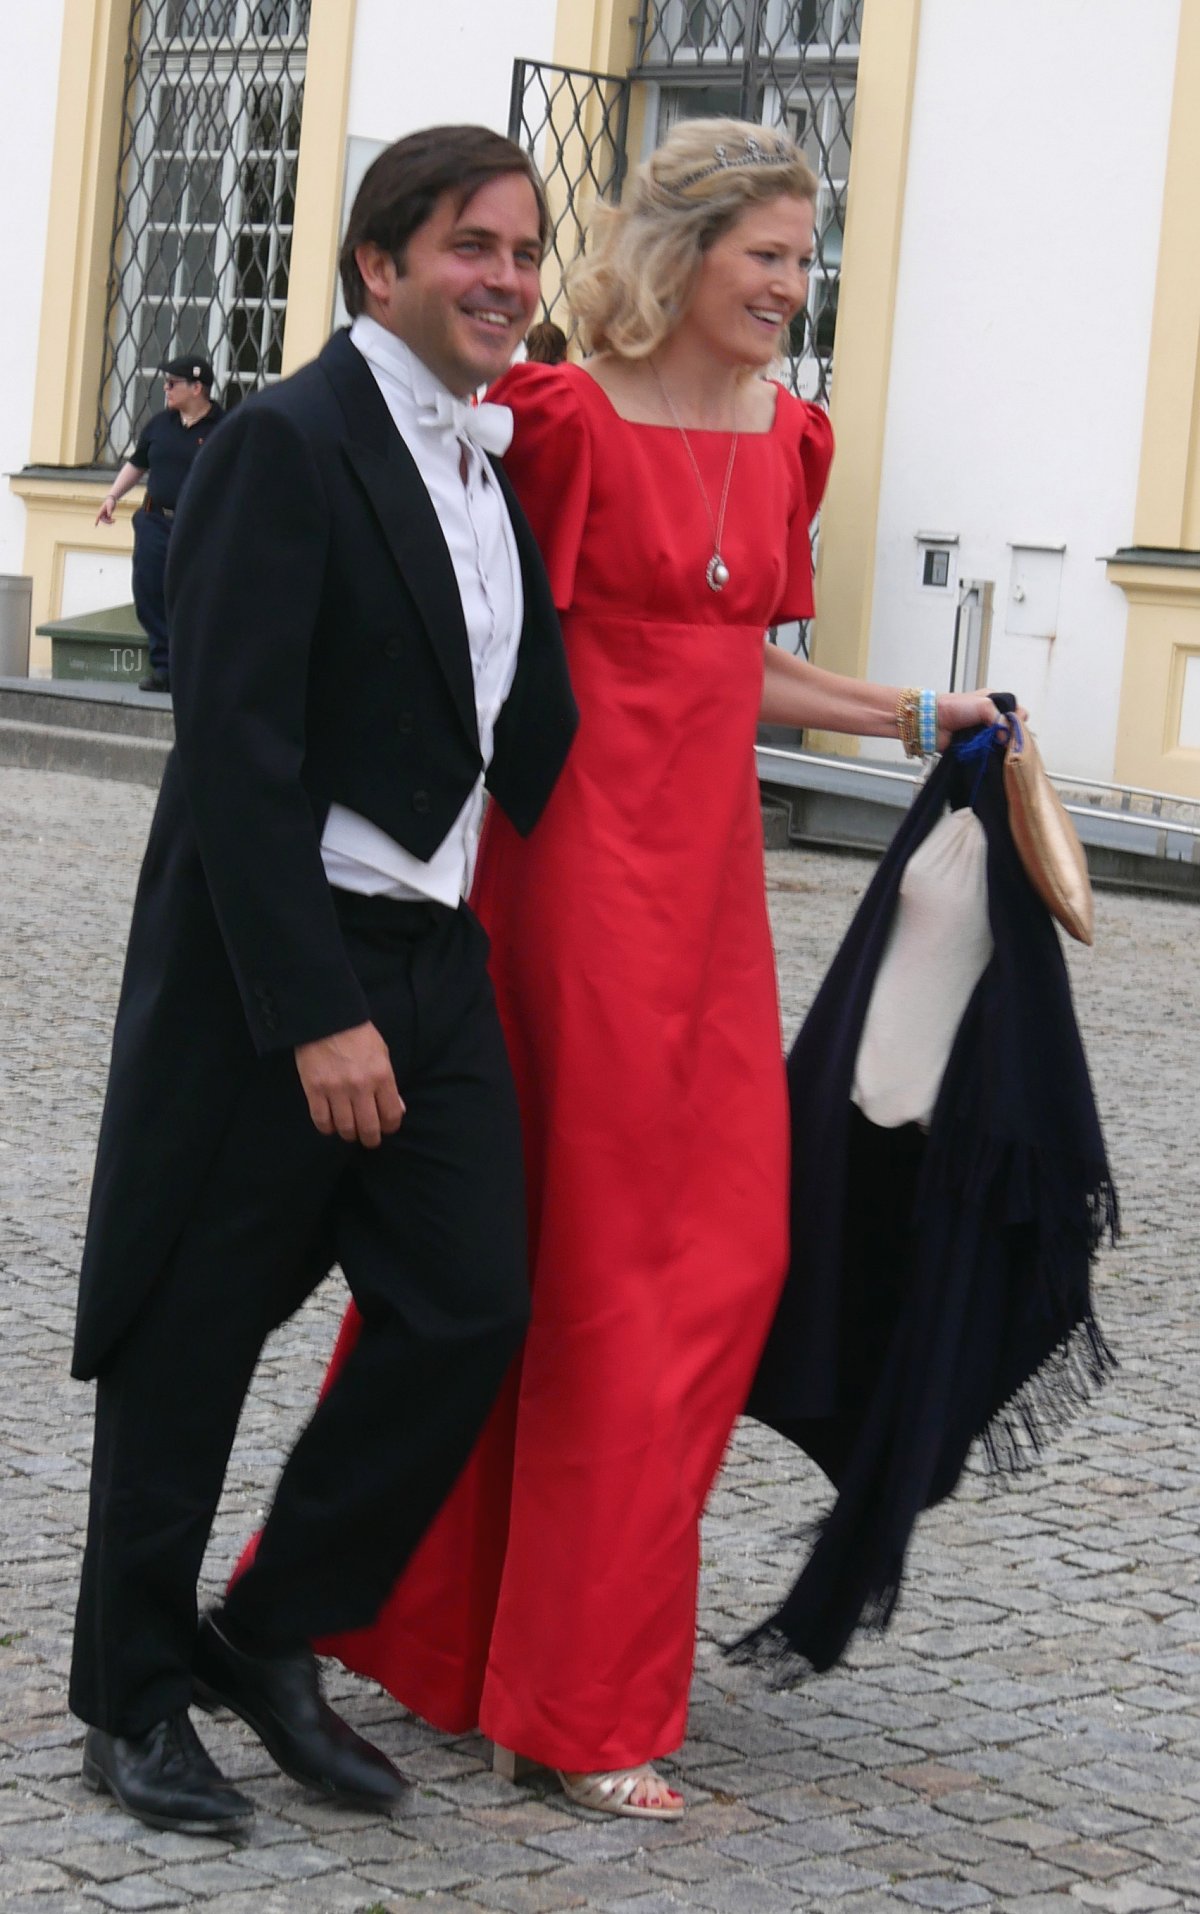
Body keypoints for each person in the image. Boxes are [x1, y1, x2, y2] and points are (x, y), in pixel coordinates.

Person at [251, 117, 1002, 1820]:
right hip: (567, 888)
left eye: (806, 265)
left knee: (722, 1257)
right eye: (769, 259)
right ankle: (562, 1696)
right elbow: (449, 619)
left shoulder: (791, 435)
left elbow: (733, 664)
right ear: (684, 254)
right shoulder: (565, 424)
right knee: (585, 1273)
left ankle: (504, 1646)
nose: (792, 292)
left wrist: (906, 714)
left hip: (707, 901)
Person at [69, 123, 577, 1840]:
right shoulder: (285, 443)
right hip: (279, 966)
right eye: (470, 247)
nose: (506, 279)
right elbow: (234, 750)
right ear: (379, 262)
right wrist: (315, 1008)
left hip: (438, 958)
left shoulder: (483, 462)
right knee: (191, 1333)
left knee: (471, 1303)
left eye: (522, 249)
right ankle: (132, 1692)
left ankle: (271, 1623)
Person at [95, 356, 223, 694]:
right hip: (155, 520)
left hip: (199, 528)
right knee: (149, 589)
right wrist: (112, 497)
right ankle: (164, 668)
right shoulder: (160, 425)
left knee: (194, 597)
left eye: (172, 383)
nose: (164, 388)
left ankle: (194, 670)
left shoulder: (224, 427)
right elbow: (137, 464)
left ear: (197, 388)